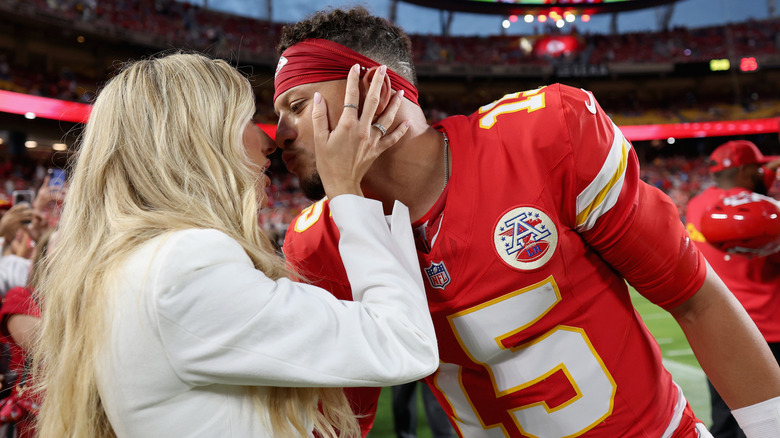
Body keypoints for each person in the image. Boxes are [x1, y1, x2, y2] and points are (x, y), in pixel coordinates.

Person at [274, 7, 780, 437]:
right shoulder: (317, 244)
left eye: (296, 106)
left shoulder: (545, 136)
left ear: (379, 88)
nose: (281, 134)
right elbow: (342, 420)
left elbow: (693, 297)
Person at [31, 52, 440, 438]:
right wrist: (348, 191)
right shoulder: (183, 265)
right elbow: (404, 341)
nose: (270, 142)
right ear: (197, 138)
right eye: (247, 119)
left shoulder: (137, 264)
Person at [685, 140, 780, 438]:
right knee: (770, 422)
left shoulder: (696, 205)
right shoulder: (764, 213)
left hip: (719, 331)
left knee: (728, 419)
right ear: (746, 170)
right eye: (758, 168)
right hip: (768, 332)